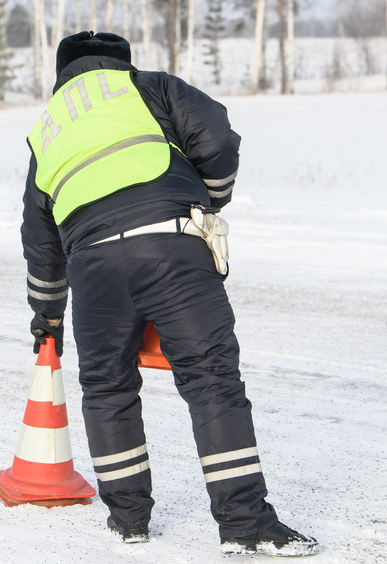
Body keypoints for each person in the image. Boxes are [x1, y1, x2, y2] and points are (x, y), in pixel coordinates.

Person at [21, 31, 318, 557]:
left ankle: (129, 520)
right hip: (171, 241)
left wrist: (48, 316)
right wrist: (210, 199)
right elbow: (219, 138)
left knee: (108, 389)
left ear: (62, 74)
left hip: (91, 265)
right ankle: (244, 525)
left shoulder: (44, 130)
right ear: (121, 63)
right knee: (210, 379)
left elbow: (41, 241)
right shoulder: (148, 86)